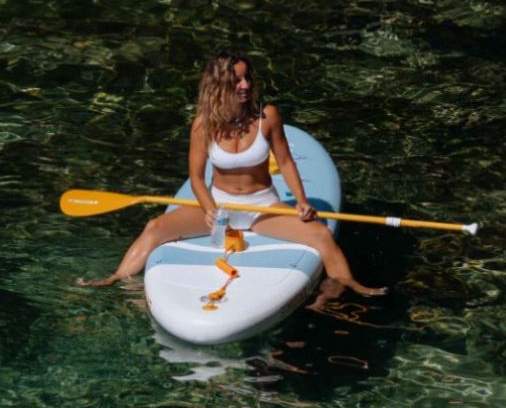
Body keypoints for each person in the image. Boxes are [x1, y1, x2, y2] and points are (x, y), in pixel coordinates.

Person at [79, 51, 387, 299]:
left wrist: (302, 202)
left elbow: (286, 162)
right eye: (236, 80)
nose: (245, 86)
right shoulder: (203, 125)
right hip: (220, 208)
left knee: (320, 235)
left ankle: (344, 286)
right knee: (155, 227)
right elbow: (197, 178)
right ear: (219, 86)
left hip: (261, 207)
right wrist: (210, 210)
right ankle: (117, 278)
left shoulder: (267, 117)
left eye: (247, 78)